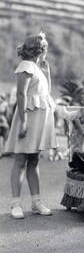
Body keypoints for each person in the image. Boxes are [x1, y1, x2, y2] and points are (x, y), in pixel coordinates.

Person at [5, 32, 57, 219]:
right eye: (44, 48)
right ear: (40, 49)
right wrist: (24, 121)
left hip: (38, 120)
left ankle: (36, 202)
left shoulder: (36, 68)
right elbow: (21, 94)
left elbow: (46, 93)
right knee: (20, 161)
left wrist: (47, 72)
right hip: (28, 118)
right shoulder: (26, 66)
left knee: (33, 160)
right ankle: (15, 205)